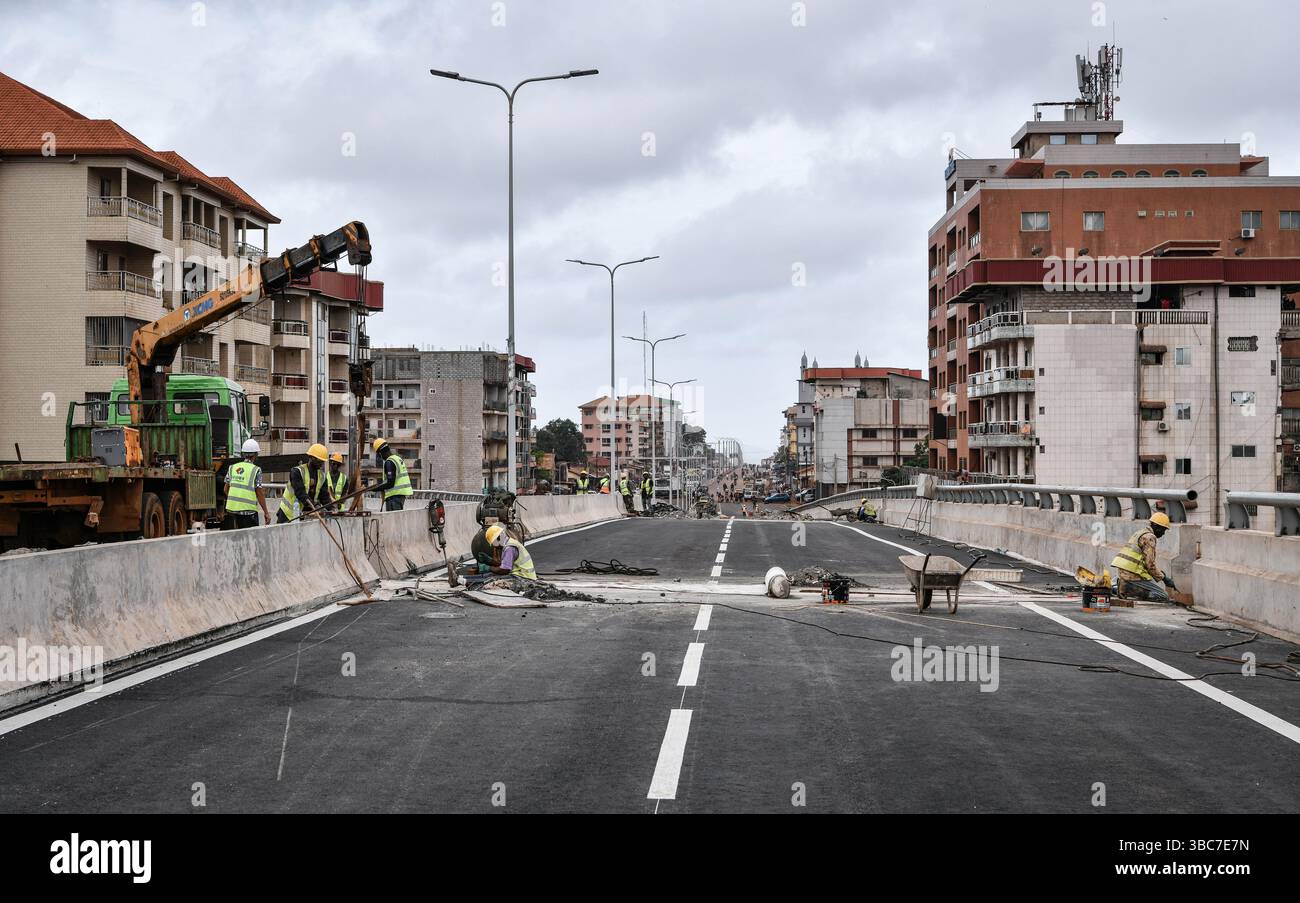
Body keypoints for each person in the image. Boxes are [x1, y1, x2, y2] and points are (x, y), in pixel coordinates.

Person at [1110, 511, 1177, 602]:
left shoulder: (1141, 533)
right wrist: (1164, 579)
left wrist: (1160, 574)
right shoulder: (1150, 537)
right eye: (1163, 530)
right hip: (1133, 574)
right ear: (1156, 527)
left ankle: (1122, 587)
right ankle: (1127, 588)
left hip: (1125, 571)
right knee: (1162, 596)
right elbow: (1150, 564)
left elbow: (1143, 560)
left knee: (1150, 589)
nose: (1163, 533)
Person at [277, 443, 333, 524]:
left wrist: (331, 508)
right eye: (319, 461)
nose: (321, 464)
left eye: (322, 461)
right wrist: (316, 506)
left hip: (304, 514)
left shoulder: (322, 476)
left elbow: (324, 497)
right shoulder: (297, 471)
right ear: (311, 458)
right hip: (287, 513)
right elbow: (301, 493)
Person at [223, 438, 270, 529]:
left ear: (243, 453)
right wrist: (266, 512)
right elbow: (259, 493)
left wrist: (235, 502)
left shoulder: (232, 467)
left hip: (231, 511)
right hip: (248, 512)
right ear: (255, 455)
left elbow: (225, 489)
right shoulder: (256, 470)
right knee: (251, 540)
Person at [372, 438, 413, 511]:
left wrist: (375, 488)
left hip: (394, 497)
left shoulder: (389, 462)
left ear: (380, 453)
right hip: (399, 496)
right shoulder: (397, 458)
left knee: (393, 521)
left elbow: (390, 483)